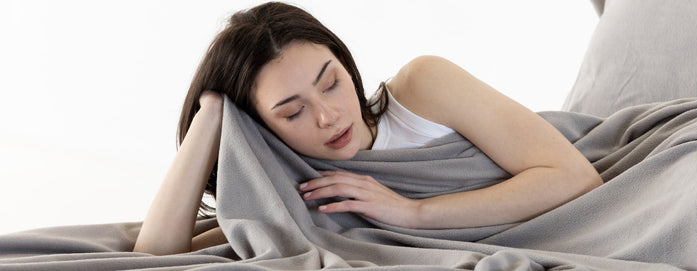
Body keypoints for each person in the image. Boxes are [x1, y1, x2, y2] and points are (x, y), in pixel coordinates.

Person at [132, 2, 602, 256]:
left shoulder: (422, 86)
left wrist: (411, 213)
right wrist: (212, 113)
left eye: (331, 83)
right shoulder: (291, 182)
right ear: (258, 126)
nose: (329, 116)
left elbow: (576, 178)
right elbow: (157, 252)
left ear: (346, 65)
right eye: (292, 113)